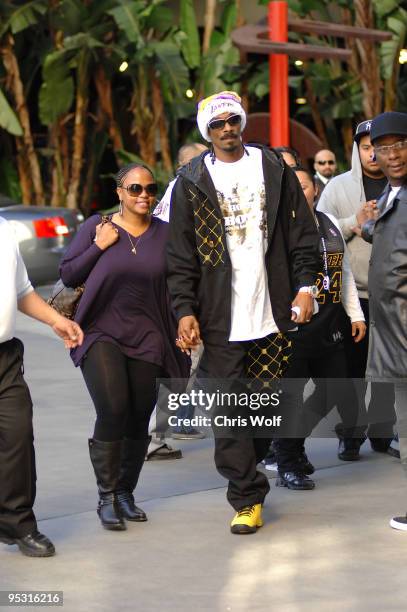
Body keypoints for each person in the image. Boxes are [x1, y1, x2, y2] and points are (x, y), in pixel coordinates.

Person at [167, 91, 320, 534]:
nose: (227, 129)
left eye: (232, 120)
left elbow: (301, 235)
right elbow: (180, 256)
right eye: (217, 124)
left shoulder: (273, 168)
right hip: (219, 318)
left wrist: (307, 287)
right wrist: (184, 309)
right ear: (207, 132)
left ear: (241, 122)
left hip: (272, 311)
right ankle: (246, 497)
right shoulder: (190, 181)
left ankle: (247, 473)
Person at [60, 163, 190, 531]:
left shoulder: (166, 234)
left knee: (137, 417)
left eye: (150, 189)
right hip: (101, 332)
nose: (143, 195)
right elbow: (69, 274)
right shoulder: (97, 227)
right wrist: (99, 246)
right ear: (119, 192)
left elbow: (181, 282)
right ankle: (106, 496)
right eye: (135, 189)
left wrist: (185, 319)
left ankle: (125, 494)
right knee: (113, 408)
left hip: (150, 334)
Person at [273, 167, 366, 489]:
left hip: (330, 325)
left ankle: (291, 446)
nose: (301, 191)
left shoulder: (329, 224)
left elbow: (346, 273)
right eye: (293, 187)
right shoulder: (278, 229)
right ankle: (288, 462)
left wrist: (356, 315)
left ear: (314, 189)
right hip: (294, 329)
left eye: (305, 185)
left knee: (334, 389)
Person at [0, 217, 83, 557]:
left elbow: (21, 292)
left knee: (18, 438)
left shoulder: (4, 229)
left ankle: (19, 525)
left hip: (4, 358)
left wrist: (57, 320)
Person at [318, 120, 396, 458]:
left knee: (388, 368)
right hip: (353, 297)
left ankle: (382, 432)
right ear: (357, 150)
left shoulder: (401, 186)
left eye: (377, 146)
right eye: (366, 147)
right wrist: (355, 220)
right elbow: (320, 237)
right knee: (350, 369)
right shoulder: (337, 188)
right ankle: (350, 433)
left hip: (395, 295)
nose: (373, 153)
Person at [359, 111, 407, 531]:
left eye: (400, 145)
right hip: (391, 329)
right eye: (382, 148)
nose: (391, 155)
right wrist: (369, 227)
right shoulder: (392, 195)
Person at [149, 142, 208, 446]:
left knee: (187, 362)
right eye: (200, 159)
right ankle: (155, 437)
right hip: (180, 292)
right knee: (186, 360)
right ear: (184, 166)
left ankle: (180, 422)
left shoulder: (179, 191)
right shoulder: (183, 191)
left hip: (178, 290)